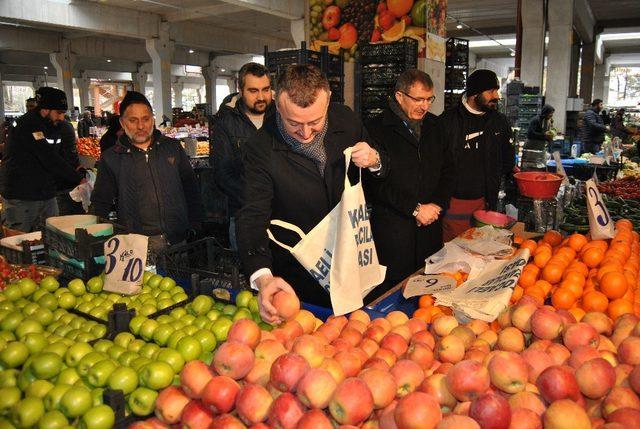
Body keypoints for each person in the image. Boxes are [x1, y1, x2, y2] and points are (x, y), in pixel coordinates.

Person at [236, 65, 386, 323]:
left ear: (327, 100)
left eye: (315, 122)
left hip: (353, 256)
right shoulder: (259, 149)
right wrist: (263, 277)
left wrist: (375, 160)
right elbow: (252, 215)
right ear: (277, 104)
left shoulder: (346, 120)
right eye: (293, 123)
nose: (305, 133)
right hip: (301, 272)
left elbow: (380, 171)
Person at [365, 69, 454, 289]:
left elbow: (449, 170)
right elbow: (374, 183)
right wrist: (414, 209)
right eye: (417, 99)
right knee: (392, 297)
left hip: (430, 228)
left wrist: (437, 205)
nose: (424, 106)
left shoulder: (437, 126)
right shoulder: (375, 129)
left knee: (426, 292)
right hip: (394, 233)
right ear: (399, 96)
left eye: (428, 99)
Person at [91, 91, 203, 253]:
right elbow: (101, 201)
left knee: (179, 279)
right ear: (122, 123)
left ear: (153, 119)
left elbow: (190, 188)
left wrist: (195, 224)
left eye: (146, 119)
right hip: (136, 246)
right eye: (133, 120)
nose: (141, 126)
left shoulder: (172, 148)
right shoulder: (112, 158)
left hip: (177, 241)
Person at [439, 69, 516, 242]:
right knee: (453, 256)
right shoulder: (446, 122)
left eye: (496, 90)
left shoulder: (499, 122)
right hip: (453, 204)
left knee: (481, 254)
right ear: (475, 93)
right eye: (491, 91)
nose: (496, 95)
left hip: (486, 203)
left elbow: (507, 159)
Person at [1, 87, 84, 232]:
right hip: (22, 195)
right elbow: (49, 158)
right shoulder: (27, 125)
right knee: (19, 239)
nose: (61, 117)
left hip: (46, 192)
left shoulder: (53, 126)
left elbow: (61, 154)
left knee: (53, 236)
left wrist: (77, 169)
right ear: (45, 109)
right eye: (58, 113)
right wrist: (77, 178)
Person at [211, 62, 275, 249]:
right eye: (253, 91)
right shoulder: (225, 123)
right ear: (240, 90)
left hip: (280, 216)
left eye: (266, 89)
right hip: (243, 215)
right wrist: (257, 198)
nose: (261, 97)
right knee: (247, 274)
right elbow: (223, 174)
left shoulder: (281, 117)